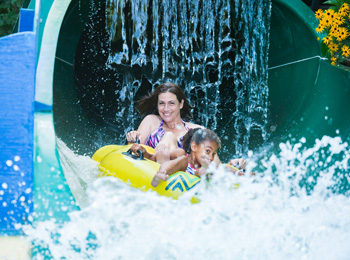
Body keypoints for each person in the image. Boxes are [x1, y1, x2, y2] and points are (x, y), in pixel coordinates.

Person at [126, 82, 246, 169]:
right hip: (151, 169)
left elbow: (214, 164)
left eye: (171, 103)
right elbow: (134, 150)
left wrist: (233, 165)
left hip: (184, 176)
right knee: (168, 136)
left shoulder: (197, 131)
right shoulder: (151, 121)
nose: (166, 109)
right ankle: (163, 165)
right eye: (162, 103)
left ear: (181, 104)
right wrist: (132, 138)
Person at [130, 128, 245, 187]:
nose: (211, 156)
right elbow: (154, 158)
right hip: (167, 172)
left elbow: (221, 168)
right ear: (194, 147)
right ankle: (160, 174)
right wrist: (144, 152)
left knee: (208, 169)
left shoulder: (203, 166)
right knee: (182, 160)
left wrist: (237, 170)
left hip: (194, 176)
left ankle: (245, 176)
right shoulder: (181, 154)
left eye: (213, 154)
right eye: (208, 151)